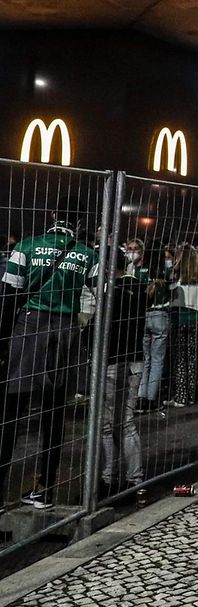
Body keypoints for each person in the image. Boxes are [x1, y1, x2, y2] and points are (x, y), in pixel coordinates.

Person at [0, 202, 100, 509]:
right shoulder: (88, 255)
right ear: (80, 223)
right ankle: (44, 488)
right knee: (53, 412)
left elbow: (7, 295)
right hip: (65, 330)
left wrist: (4, 340)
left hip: (28, 325)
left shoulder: (28, 247)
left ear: (54, 217)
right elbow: (104, 291)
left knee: (11, 411)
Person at [98, 238, 150, 495]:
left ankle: (109, 476)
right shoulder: (139, 288)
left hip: (112, 361)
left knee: (108, 423)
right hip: (135, 359)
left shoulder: (109, 291)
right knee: (126, 421)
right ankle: (135, 478)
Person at [168, 244, 198, 407]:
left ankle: (180, 395)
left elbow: (171, 297)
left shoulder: (175, 277)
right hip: (197, 318)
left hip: (180, 318)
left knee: (180, 359)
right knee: (193, 359)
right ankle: (191, 395)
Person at [135, 243, 172, 414]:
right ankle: (151, 399)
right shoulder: (165, 272)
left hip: (144, 315)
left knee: (147, 360)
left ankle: (141, 398)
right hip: (160, 315)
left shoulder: (140, 271)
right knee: (157, 361)